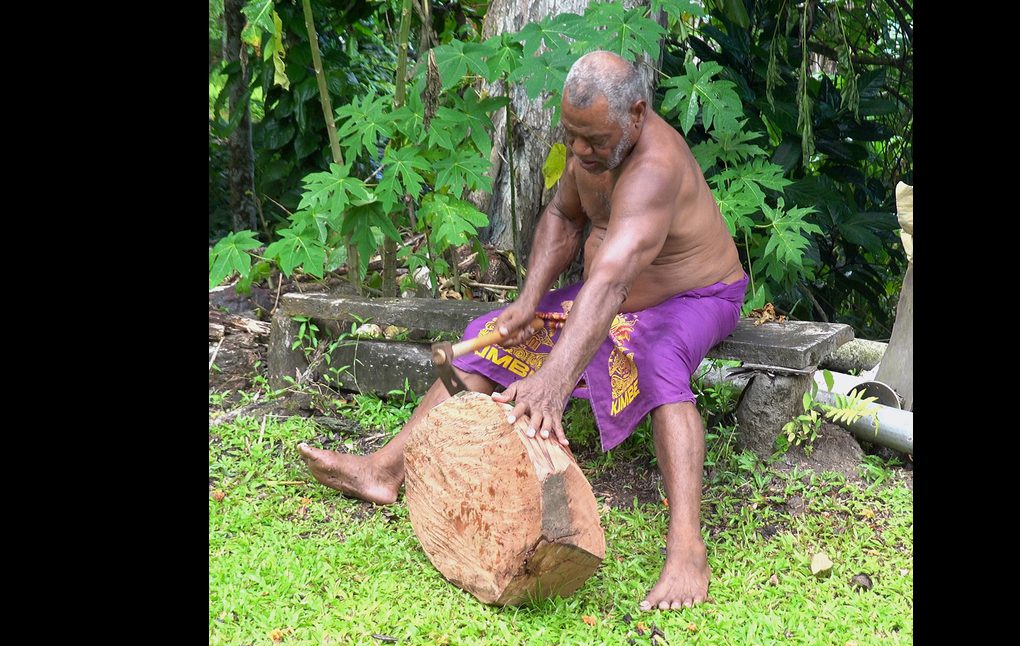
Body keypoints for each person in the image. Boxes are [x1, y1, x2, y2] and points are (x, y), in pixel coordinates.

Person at [300, 50, 747, 611]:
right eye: (571, 136)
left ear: (637, 113)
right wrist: (527, 303)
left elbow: (608, 284)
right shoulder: (591, 149)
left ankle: (687, 549)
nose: (580, 152)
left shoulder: (656, 166)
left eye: (593, 139)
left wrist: (554, 381)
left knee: (657, 361)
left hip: (693, 296)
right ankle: (385, 470)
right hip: (611, 293)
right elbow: (563, 218)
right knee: (493, 333)